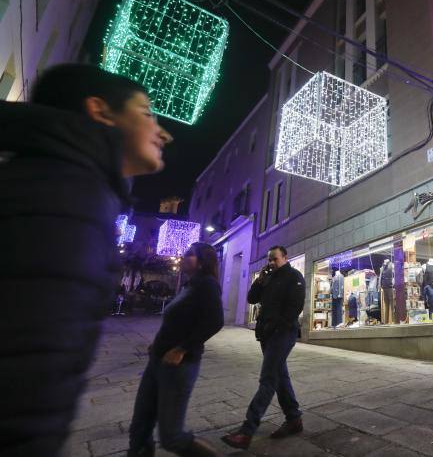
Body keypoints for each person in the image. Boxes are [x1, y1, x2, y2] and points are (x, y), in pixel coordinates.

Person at [0, 64, 172, 455]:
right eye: (147, 113)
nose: (163, 132)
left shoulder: (65, 181)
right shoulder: (65, 196)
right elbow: (28, 370)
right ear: (99, 111)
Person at [127, 243, 224, 457]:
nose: (182, 256)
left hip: (178, 366)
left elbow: (215, 321)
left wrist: (182, 348)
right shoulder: (189, 286)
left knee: (171, 437)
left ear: (201, 261)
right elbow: (177, 321)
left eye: (189, 254)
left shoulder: (207, 284)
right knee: (140, 426)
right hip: (157, 361)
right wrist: (158, 342)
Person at [222, 246, 306, 450]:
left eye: (274, 259)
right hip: (267, 335)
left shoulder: (294, 277)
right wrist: (259, 282)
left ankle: (247, 431)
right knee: (280, 376)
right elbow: (252, 299)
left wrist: (277, 326)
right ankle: (294, 418)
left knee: (268, 379)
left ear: (285, 258)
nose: (271, 263)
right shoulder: (267, 278)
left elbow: (295, 308)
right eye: (269, 259)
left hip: (283, 334)